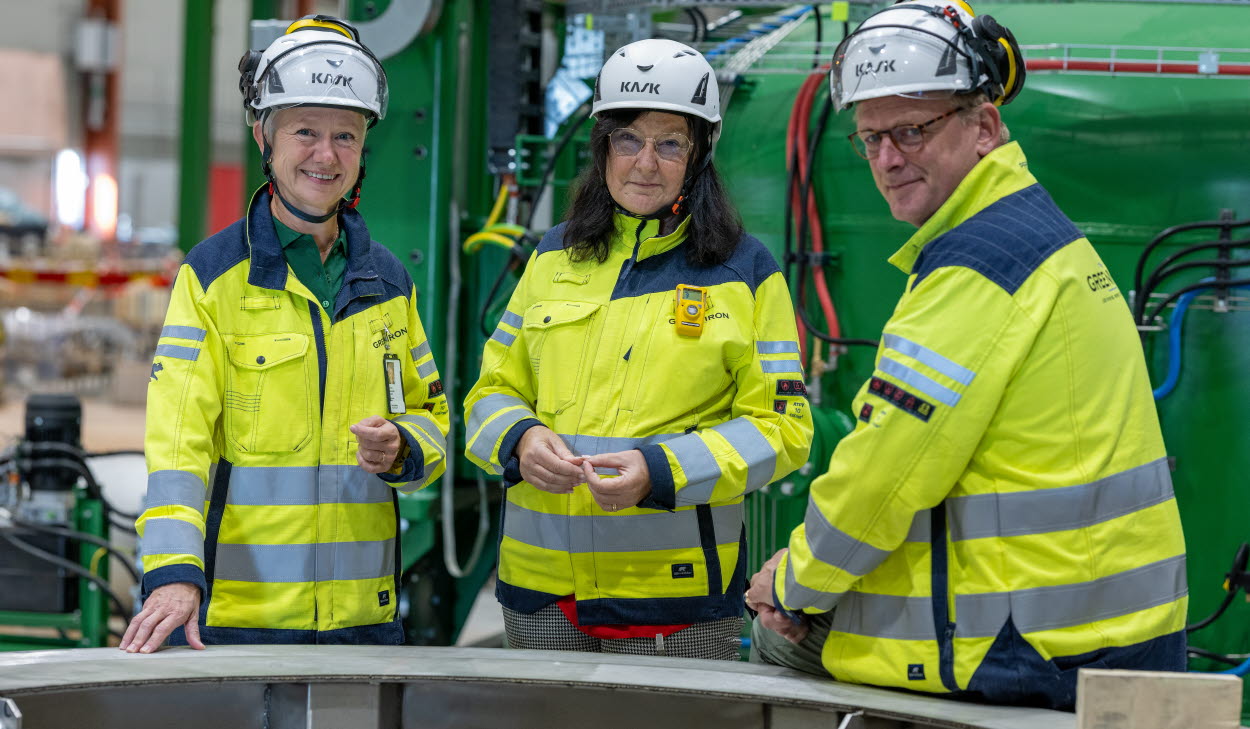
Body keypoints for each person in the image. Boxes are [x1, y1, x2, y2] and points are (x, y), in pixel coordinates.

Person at [746, 0, 1187, 710]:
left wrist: (794, 579)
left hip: (1037, 646)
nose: (888, 160)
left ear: (984, 126)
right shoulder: (1038, 232)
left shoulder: (978, 265)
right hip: (1118, 631)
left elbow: (884, 478)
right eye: (870, 140)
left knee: (777, 629)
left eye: (911, 131)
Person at [464, 38, 813, 659]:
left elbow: (783, 431)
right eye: (628, 140)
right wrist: (517, 437)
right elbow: (490, 392)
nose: (645, 163)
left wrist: (663, 471)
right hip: (543, 596)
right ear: (603, 148)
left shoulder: (745, 273)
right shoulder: (554, 257)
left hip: (676, 606)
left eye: (669, 143)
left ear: (700, 152)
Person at [121, 15, 450, 652]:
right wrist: (172, 573)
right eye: (306, 131)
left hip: (366, 619)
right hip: (239, 621)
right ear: (263, 135)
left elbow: (432, 421)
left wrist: (404, 448)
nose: (326, 155)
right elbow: (177, 445)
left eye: (346, 136)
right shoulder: (214, 278)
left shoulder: (388, 283)